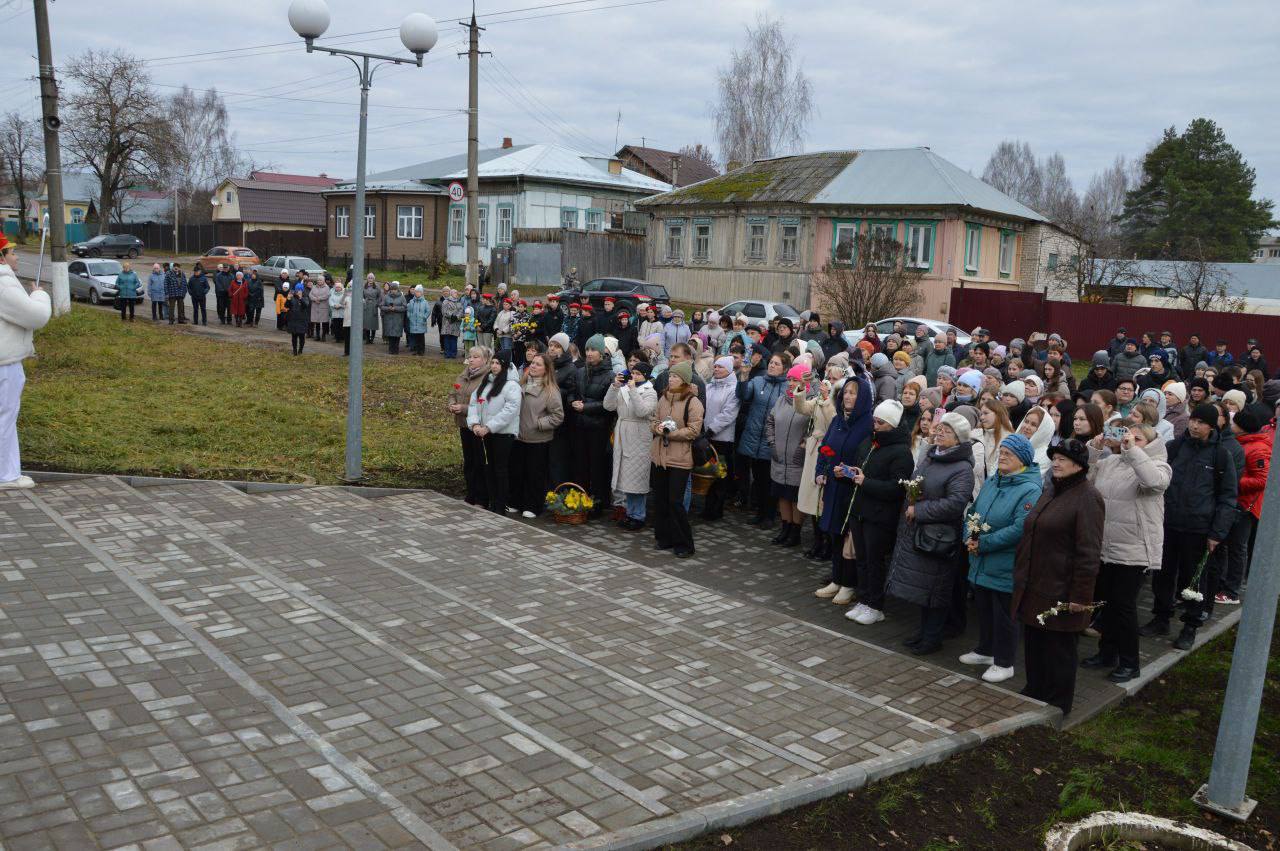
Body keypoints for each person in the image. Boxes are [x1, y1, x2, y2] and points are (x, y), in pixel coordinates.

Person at [1013, 438, 1104, 716]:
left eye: (1062, 459)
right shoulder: (1052, 489)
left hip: (1062, 588)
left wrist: (1080, 598)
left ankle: (1058, 704)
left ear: (1079, 465)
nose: (1056, 462)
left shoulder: (1088, 497)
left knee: (1059, 649)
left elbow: (1089, 552)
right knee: (1035, 642)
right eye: (1054, 458)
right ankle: (1035, 689)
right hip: (1036, 582)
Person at [1080, 423, 1170, 683]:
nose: (1129, 440)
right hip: (1105, 546)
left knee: (1124, 607)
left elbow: (1153, 482)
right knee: (1107, 603)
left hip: (1134, 550)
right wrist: (1094, 451)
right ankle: (1106, 653)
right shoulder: (1111, 463)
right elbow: (1084, 484)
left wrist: (1132, 450)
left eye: (1137, 438)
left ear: (1150, 444)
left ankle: (1130, 662)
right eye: (1126, 436)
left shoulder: (1160, 466)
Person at [1143, 404, 1237, 649]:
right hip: (1168, 523)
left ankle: (1190, 626)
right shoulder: (1174, 448)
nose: (1195, 426)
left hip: (1198, 529)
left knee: (1193, 580)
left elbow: (1228, 497)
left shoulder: (1220, 456)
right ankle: (1161, 616)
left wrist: (1217, 533)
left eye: (1201, 422)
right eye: (1193, 420)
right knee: (1162, 575)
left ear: (1211, 426)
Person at [886, 412, 975, 655]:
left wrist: (921, 509)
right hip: (919, 530)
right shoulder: (932, 456)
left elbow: (956, 503)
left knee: (936, 589)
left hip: (939, 536)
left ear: (959, 438)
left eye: (946, 431)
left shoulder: (962, 468)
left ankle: (932, 638)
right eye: (940, 429)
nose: (939, 433)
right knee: (924, 588)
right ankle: (923, 633)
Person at [961, 433, 1042, 683]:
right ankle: (986, 650)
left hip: (1005, 563)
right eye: (1002, 452)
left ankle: (1005, 662)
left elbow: (1020, 528)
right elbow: (974, 511)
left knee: (1005, 615)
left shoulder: (1030, 490)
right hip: (981, 559)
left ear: (1023, 460)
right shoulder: (994, 480)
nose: (1003, 456)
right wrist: (970, 535)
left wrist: (982, 543)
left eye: (1010, 454)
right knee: (984, 608)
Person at [844, 400, 915, 624]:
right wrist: (851, 472)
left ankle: (875, 604)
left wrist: (866, 482)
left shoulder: (901, 452)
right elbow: (862, 466)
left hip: (879, 515)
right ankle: (864, 599)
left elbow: (897, 487)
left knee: (875, 561)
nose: (875, 425)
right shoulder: (871, 442)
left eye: (880, 422)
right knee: (862, 559)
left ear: (892, 425)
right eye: (875, 420)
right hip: (860, 510)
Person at [0, 234, 51, 489]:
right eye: (12, 252)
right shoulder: (2, 282)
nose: (16, 256)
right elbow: (35, 317)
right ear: (1, 257)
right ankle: (5, 475)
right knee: (5, 418)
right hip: (4, 363)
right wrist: (39, 296)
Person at [650, 361, 704, 558]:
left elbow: (693, 430)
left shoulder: (693, 402)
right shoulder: (663, 398)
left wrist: (669, 433)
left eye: (675, 376)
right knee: (661, 499)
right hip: (659, 456)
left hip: (680, 458)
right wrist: (656, 428)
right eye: (670, 375)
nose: (671, 379)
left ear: (684, 380)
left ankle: (684, 543)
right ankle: (664, 538)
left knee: (675, 501)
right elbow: (654, 419)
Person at [1219, 408, 1271, 604]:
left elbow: (1261, 480)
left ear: (1242, 427)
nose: (1231, 426)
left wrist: (1231, 482)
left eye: (1234, 423)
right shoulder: (1243, 443)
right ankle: (1223, 584)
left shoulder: (1257, 448)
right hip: (1235, 501)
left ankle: (1232, 591)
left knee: (1237, 548)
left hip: (1245, 505)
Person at [737, 352, 790, 527]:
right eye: (771, 363)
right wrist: (744, 376)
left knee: (771, 480)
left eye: (777, 364)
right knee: (758, 480)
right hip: (754, 438)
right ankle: (760, 513)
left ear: (785, 368)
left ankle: (769, 516)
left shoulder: (788, 387)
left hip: (773, 440)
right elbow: (743, 395)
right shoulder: (759, 381)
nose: (772, 366)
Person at [765, 363, 814, 548]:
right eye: (790, 379)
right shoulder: (781, 400)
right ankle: (784, 528)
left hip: (797, 459)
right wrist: (772, 443)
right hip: (779, 457)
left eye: (795, 380)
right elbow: (770, 422)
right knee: (782, 495)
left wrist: (803, 448)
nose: (791, 383)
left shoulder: (811, 402)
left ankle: (795, 532)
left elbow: (814, 429)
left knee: (795, 497)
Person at [510, 352, 564, 518]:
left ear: (546, 370)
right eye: (532, 363)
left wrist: (539, 424)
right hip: (519, 436)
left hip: (538, 439)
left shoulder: (550, 391)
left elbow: (558, 416)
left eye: (538, 364)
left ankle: (533, 506)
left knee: (535, 474)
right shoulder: (521, 384)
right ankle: (514, 502)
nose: (533, 366)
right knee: (517, 471)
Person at [604, 361, 657, 530]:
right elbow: (608, 406)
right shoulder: (623, 388)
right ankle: (629, 512)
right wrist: (615, 386)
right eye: (632, 373)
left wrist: (633, 390)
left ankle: (638, 516)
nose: (633, 376)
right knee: (625, 476)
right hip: (623, 431)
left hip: (639, 434)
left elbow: (642, 411)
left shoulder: (650, 392)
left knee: (637, 477)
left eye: (638, 374)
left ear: (646, 376)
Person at [468, 352, 521, 515]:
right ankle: (492, 500)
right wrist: (475, 423)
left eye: (498, 363)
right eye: (493, 362)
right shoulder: (486, 382)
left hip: (503, 434)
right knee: (489, 467)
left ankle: (501, 504)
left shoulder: (511, 386)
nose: (494, 366)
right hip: (485, 433)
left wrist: (489, 427)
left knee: (500, 469)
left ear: (505, 366)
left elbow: (510, 410)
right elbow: (473, 403)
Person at [574, 335, 616, 514]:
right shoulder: (581, 371)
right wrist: (573, 402)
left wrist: (586, 407)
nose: (589, 353)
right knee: (581, 464)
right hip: (581, 425)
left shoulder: (610, 375)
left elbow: (608, 405)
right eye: (587, 350)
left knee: (598, 466)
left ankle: (598, 502)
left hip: (599, 427)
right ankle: (581, 498)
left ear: (602, 352)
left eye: (593, 350)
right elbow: (574, 392)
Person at [447, 346, 492, 507]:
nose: (471, 359)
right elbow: (453, 392)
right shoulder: (464, 374)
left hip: (478, 426)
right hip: (463, 424)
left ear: (485, 360)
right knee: (469, 461)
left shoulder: (487, 377)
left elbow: (485, 404)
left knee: (480, 462)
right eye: (470, 356)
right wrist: (452, 404)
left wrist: (464, 409)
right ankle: (470, 494)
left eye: (476, 357)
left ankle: (481, 498)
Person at [379, 282, 407, 354]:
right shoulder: (386, 297)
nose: (393, 291)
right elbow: (381, 306)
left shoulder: (402, 297)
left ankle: (396, 350)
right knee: (390, 335)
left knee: (397, 335)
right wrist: (388, 308)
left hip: (398, 319)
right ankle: (391, 350)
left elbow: (404, 307)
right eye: (392, 289)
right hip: (389, 319)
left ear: (397, 289)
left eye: (395, 289)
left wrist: (396, 308)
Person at [284, 284, 310, 355]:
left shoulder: (305, 297)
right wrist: (288, 299)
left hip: (302, 320)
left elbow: (306, 305)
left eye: (300, 290)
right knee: (294, 336)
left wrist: (301, 298)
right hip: (293, 319)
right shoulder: (292, 296)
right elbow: (286, 306)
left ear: (302, 290)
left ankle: (300, 350)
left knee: (302, 336)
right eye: (297, 290)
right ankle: (294, 350)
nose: (298, 291)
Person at [406, 285, 430, 356]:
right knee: (414, 337)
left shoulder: (425, 302)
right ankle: (416, 350)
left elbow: (428, 311)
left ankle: (421, 351)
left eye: (418, 292)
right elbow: (409, 310)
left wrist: (424, 317)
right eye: (416, 291)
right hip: (413, 322)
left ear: (421, 293)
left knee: (421, 337)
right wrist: (409, 317)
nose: (417, 293)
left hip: (421, 322)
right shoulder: (411, 301)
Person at [440, 288, 464, 359]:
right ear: (451, 294)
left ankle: (453, 354)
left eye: (457, 293)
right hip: (447, 324)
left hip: (456, 324)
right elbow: (444, 311)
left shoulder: (459, 302)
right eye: (455, 293)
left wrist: (457, 316)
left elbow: (461, 311)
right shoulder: (446, 301)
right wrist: (452, 316)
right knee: (447, 339)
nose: (456, 294)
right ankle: (447, 353)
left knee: (454, 339)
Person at [307, 275, 330, 340]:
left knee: (324, 322)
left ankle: (323, 336)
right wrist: (314, 299)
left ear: (323, 281)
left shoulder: (327, 287)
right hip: (315, 306)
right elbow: (310, 294)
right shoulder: (314, 287)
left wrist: (319, 299)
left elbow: (327, 295)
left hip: (323, 306)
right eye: (318, 280)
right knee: (316, 322)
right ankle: (317, 336)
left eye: (320, 280)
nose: (319, 281)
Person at [361, 274, 380, 344]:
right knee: (366, 323)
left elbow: (379, 297)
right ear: (367, 279)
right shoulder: (364, 286)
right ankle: (367, 338)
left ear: (374, 279)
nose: (370, 279)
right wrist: (363, 301)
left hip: (373, 306)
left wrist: (377, 303)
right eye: (369, 278)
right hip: (366, 305)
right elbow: (361, 295)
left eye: (372, 278)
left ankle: (372, 338)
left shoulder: (377, 287)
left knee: (373, 323)